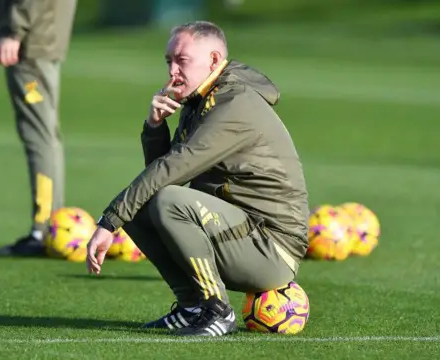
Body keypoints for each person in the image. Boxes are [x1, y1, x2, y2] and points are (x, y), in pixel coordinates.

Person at [86, 21, 310, 337]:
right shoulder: (201, 99)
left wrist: (108, 223)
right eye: (169, 61)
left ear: (214, 60)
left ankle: (216, 309)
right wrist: (155, 128)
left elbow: (171, 174)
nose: (173, 71)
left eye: (182, 60)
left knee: (158, 201)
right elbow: (162, 178)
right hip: (239, 233)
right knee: (137, 207)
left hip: (271, 249)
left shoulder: (234, 104)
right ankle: (192, 308)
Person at [0, 0, 78, 256]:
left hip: (31, 40)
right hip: (42, 36)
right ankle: (49, 228)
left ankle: (43, 230)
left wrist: (15, 30)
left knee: (39, 136)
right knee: (46, 135)